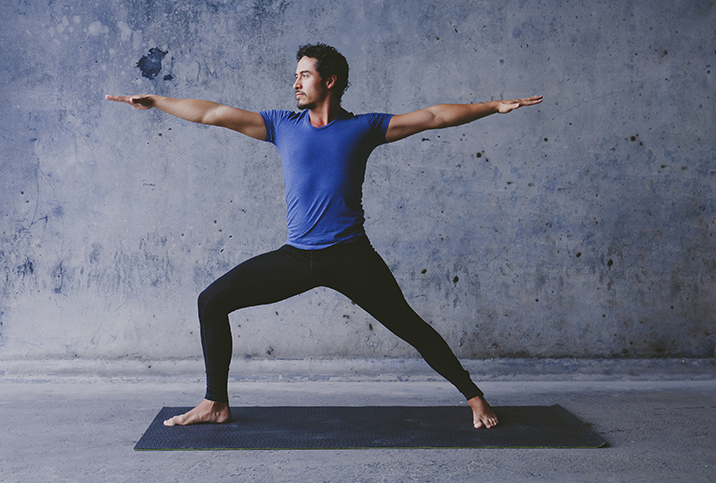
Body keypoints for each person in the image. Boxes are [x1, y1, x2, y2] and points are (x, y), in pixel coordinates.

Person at [106, 42, 542, 430]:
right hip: (297, 258)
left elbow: (432, 117)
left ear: (329, 80)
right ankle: (215, 402)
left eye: (304, 74)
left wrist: (492, 105)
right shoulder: (281, 125)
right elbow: (213, 113)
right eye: (295, 75)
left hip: (352, 257)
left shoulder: (364, 128)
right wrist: (158, 100)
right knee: (211, 301)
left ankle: (474, 396)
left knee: (410, 326)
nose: (295, 82)